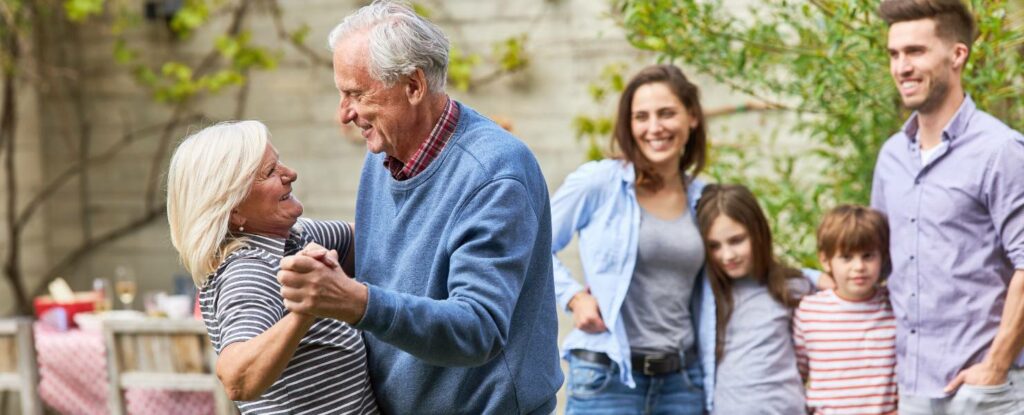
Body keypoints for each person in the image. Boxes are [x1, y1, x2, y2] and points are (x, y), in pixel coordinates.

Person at [274, 1, 562, 414]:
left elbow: (478, 327)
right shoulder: (382, 155)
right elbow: (393, 251)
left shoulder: (494, 173)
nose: (344, 114)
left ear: (413, 86)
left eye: (356, 93)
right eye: (342, 94)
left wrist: (357, 302)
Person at [870, 0, 1024, 413]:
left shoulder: (1000, 151)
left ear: (958, 55)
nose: (901, 67)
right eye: (894, 54)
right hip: (916, 387)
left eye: (915, 52)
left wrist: (995, 366)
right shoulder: (891, 158)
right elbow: (879, 264)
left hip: (989, 389)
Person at [165, 120, 378, 414]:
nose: (290, 174)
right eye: (270, 172)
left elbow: (377, 241)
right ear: (234, 209)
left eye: (279, 163)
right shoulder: (249, 269)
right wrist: (306, 308)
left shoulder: (295, 237)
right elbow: (238, 379)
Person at [551, 64, 712, 414]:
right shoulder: (599, 182)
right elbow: (529, 246)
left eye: (666, 113)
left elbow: (747, 269)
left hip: (683, 383)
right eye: (641, 116)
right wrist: (575, 298)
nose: (654, 128)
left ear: (692, 118)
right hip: (606, 379)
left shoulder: (705, 198)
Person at [696, 184, 813, 414]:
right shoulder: (707, 297)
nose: (727, 255)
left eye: (737, 240)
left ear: (758, 233)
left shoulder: (793, 288)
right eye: (714, 246)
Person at [793, 205, 897, 414]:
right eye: (847, 257)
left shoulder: (893, 307)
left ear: (882, 257)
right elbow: (796, 377)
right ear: (825, 260)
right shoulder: (810, 311)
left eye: (868, 256)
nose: (858, 266)